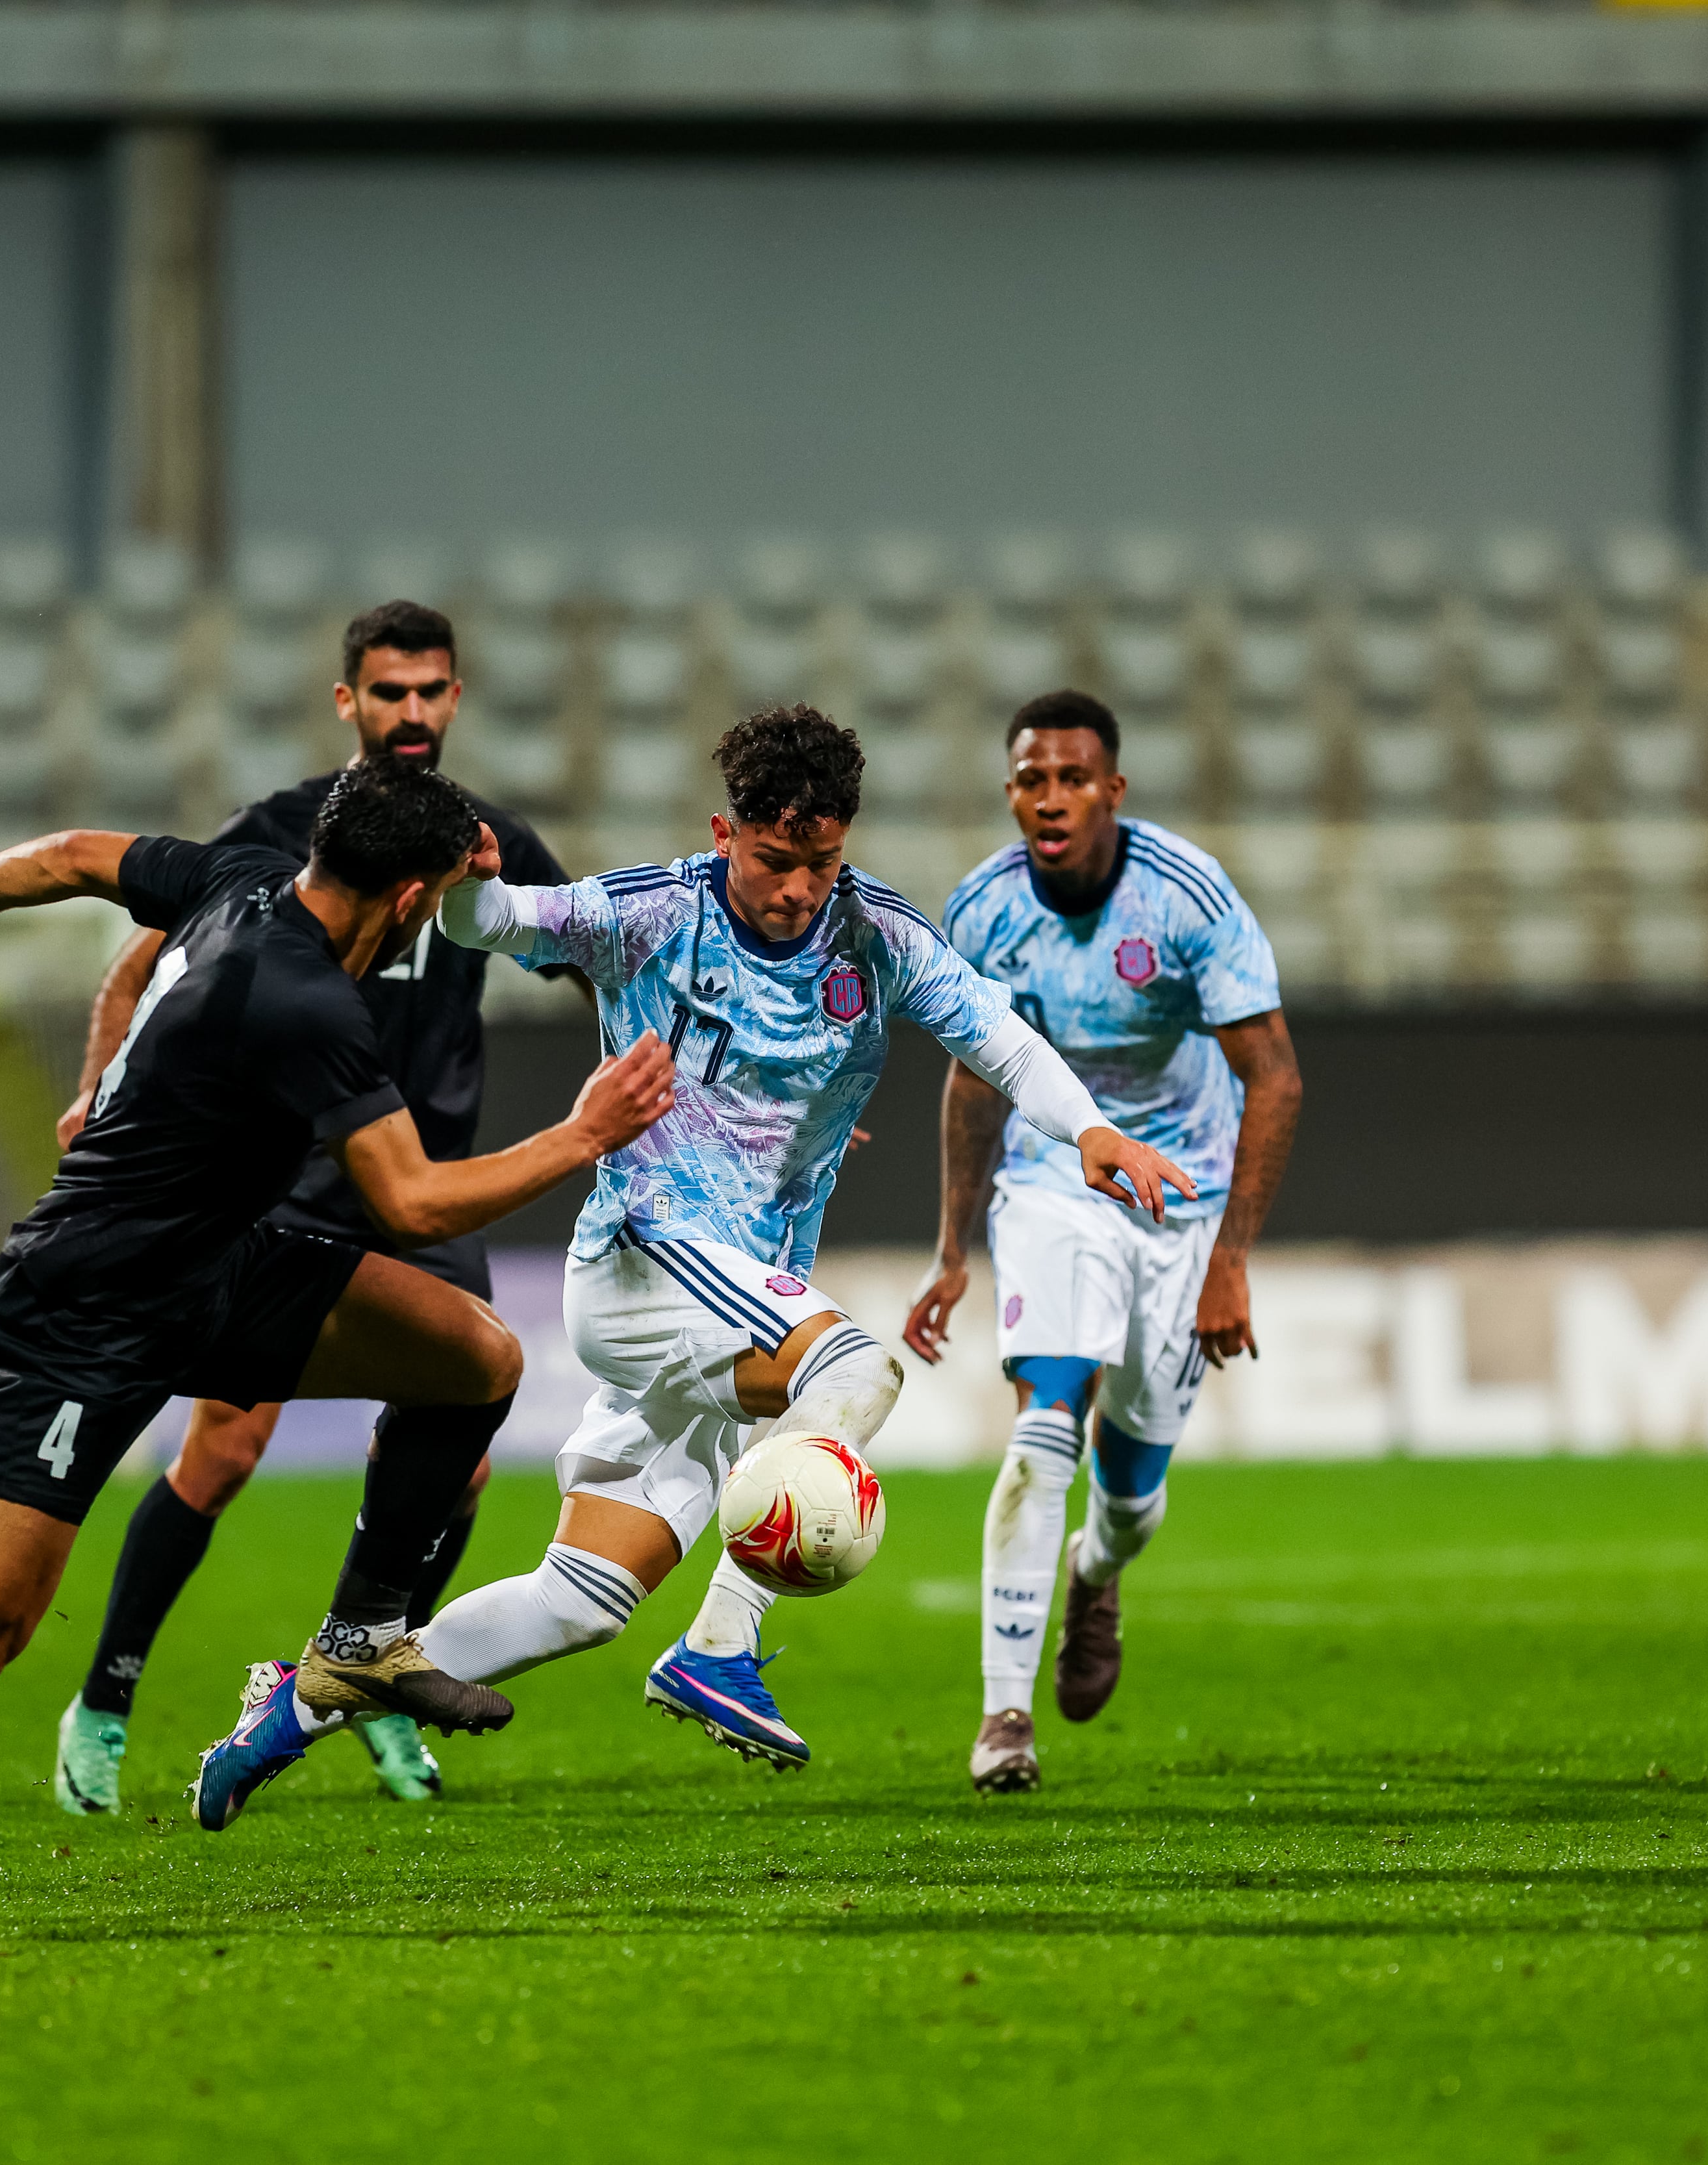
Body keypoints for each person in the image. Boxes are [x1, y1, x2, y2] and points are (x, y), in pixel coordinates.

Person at [0, 759, 675, 1942]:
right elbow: (416, 1202)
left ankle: (362, 1643)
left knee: (473, 1357)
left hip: (217, 1262)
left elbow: (73, 851)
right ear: (406, 896)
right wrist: (587, 1130)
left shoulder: (244, 878)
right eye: (435, 900)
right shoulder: (305, 1001)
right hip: (87, 1307)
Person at [186, 706, 1191, 1830]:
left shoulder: (879, 936)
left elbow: (997, 1036)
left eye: (823, 862)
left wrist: (1091, 1130)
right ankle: (722, 1642)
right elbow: (500, 920)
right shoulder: (651, 911)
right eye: (776, 861)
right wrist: (466, 880)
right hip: (644, 1259)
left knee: (581, 1598)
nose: (801, 888)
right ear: (727, 832)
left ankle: (298, 1700)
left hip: (735, 1304)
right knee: (856, 1371)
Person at [47, 599, 579, 1815]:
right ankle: (108, 1700)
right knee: (225, 1446)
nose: (411, 712)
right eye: (387, 691)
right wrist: (96, 1090)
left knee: (462, 1466)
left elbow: (598, 952)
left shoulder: (490, 841)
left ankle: (378, 1675)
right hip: (290, 1186)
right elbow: (143, 957)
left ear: (456, 698)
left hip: (428, 1189)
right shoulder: (286, 832)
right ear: (348, 700)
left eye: (430, 690)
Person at [901, 690, 1301, 1794]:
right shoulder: (982, 910)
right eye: (1032, 778)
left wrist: (1231, 1258)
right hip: (1051, 1183)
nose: (1051, 797)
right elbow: (977, 1080)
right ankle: (1003, 1716)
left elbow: (1274, 1075)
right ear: (1011, 791)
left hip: (1181, 1194)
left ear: (1112, 791)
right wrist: (952, 1249)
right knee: (1046, 1418)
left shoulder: (1186, 898)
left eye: (1074, 778)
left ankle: (1097, 1570)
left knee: (1130, 1489)